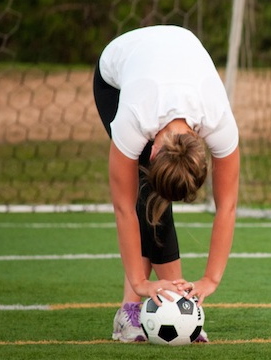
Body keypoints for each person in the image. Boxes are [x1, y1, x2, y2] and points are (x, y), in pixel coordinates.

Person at [92, 25, 239, 343]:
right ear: (152, 151)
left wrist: (211, 279)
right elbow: (123, 207)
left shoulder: (219, 122)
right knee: (148, 198)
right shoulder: (134, 119)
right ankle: (138, 310)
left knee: (154, 202)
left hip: (170, 58)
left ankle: (171, 307)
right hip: (114, 78)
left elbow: (226, 206)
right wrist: (141, 282)